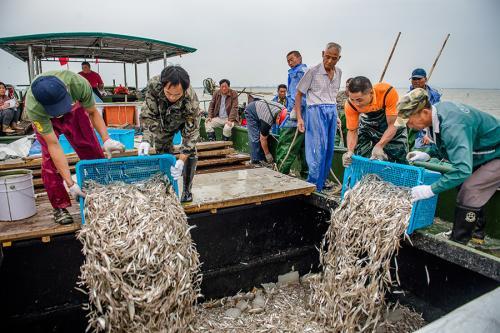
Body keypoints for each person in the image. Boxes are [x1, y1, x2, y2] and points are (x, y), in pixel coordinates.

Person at [395, 88, 500, 245]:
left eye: (409, 120)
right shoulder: (438, 114)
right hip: (483, 152)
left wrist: (430, 190)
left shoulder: (453, 125)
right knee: (463, 184)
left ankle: (459, 242)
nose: (408, 126)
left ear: (424, 112)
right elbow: (447, 144)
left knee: (470, 188)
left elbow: (462, 170)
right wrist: (428, 153)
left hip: (496, 153)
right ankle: (476, 235)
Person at [24, 70, 125, 224]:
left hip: (74, 110)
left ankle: (101, 195)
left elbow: (92, 112)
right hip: (46, 119)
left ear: (66, 88)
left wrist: (106, 140)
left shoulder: (78, 84)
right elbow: (53, 145)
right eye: (56, 111)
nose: (59, 114)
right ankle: (59, 206)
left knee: (92, 149)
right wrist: (70, 183)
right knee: (50, 161)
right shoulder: (34, 107)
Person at [139, 65, 201, 203]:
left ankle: (187, 190)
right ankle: (166, 187)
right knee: (161, 150)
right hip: (163, 122)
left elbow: (192, 133)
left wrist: (181, 159)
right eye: (168, 93)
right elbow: (149, 114)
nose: (172, 97)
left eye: (177, 94)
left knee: (190, 152)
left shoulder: (191, 101)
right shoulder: (154, 85)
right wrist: (146, 139)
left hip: (183, 121)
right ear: (163, 86)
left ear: (184, 90)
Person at [294, 42, 342, 192]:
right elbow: (299, 94)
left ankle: (322, 182)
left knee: (329, 149)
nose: (329, 61)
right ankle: (313, 184)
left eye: (333, 58)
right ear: (323, 54)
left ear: (338, 58)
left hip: (332, 111)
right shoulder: (312, 71)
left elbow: (333, 96)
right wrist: (300, 118)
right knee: (317, 148)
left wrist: (337, 116)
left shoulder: (339, 72)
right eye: (327, 57)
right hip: (315, 111)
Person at [342, 76, 408, 167]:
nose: (356, 103)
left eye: (359, 100)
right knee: (361, 153)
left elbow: (393, 125)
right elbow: (352, 130)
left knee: (398, 156)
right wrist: (350, 151)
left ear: (371, 93)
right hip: (369, 124)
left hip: (392, 124)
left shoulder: (387, 92)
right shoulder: (350, 104)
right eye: (352, 99)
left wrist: (380, 145)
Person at [275, 50, 309, 178]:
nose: (290, 63)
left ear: (299, 58)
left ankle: (281, 172)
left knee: (286, 143)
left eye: (292, 59)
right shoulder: (302, 71)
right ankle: (306, 174)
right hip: (303, 116)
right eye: (288, 61)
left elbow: (299, 94)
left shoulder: (299, 72)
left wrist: (295, 110)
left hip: (296, 117)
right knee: (303, 147)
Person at [407, 68, 441, 151]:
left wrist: (427, 134)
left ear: (425, 79)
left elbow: (437, 115)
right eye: (414, 79)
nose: (416, 81)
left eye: (419, 78)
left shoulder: (434, 95)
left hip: (431, 126)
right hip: (414, 127)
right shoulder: (408, 96)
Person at [244, 99, 287, 165]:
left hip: (261, 109)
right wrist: (268, 154)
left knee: (264, 133)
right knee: (255, 137)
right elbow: (263, 139)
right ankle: (255, 161)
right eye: (280, 123)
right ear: (278, 117)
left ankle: (261, 158)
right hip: (251, 111)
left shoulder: (284, 110)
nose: (280, 125)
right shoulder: (267, 120)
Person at [335, 77, 353, 146]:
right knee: (335, 137)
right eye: (347, 86)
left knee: (347, 139)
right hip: (337, 119)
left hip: (348, 121)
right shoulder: (339, 95)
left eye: (350, 86)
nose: (348, 88)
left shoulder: (355, 97)